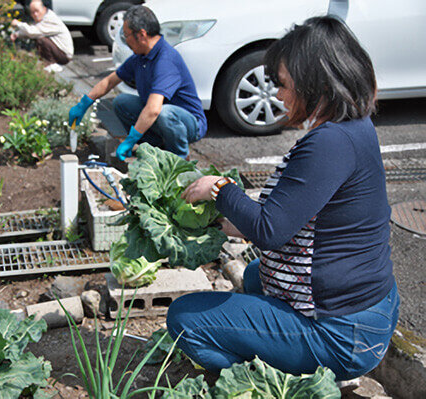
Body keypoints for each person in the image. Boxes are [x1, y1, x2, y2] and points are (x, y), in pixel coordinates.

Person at [167, 16, 399, 382]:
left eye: (284, 84)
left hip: (343, 333)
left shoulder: (329, 143)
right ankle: (289, 350)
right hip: (366, 312)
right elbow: (293, 213)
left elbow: (269, 230)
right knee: (257, 275)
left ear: (318, 84)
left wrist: (219, 188)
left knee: (184, 318)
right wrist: (222, 219)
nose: (278, 94)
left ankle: (275, 383)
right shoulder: (354, 127)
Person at [68, 5, 207, 160]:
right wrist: (84, 103)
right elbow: (110, 81)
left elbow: (154, 110)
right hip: (163, 117)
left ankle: (179, 158)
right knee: (122, 102)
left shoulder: (165, 61)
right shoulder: (141, 57)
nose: (125, 41)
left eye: (126, 36)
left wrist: (130, 139)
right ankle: (154, 147)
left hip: (188, 122)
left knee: (164, 113)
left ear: (141, 35)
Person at [10, 0, 74, 73]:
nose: (35, 14)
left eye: (37, 11)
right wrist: (17, 34)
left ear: (44, 9)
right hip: (59, 51)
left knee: (41, 40)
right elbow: (35, 30)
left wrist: (19, 24)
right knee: (38, 37)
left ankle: (52, 64)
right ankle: (47, 63)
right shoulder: (44, 18)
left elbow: (33, 32)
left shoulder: (50, 19)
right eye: (33, 12)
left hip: (64, 56)